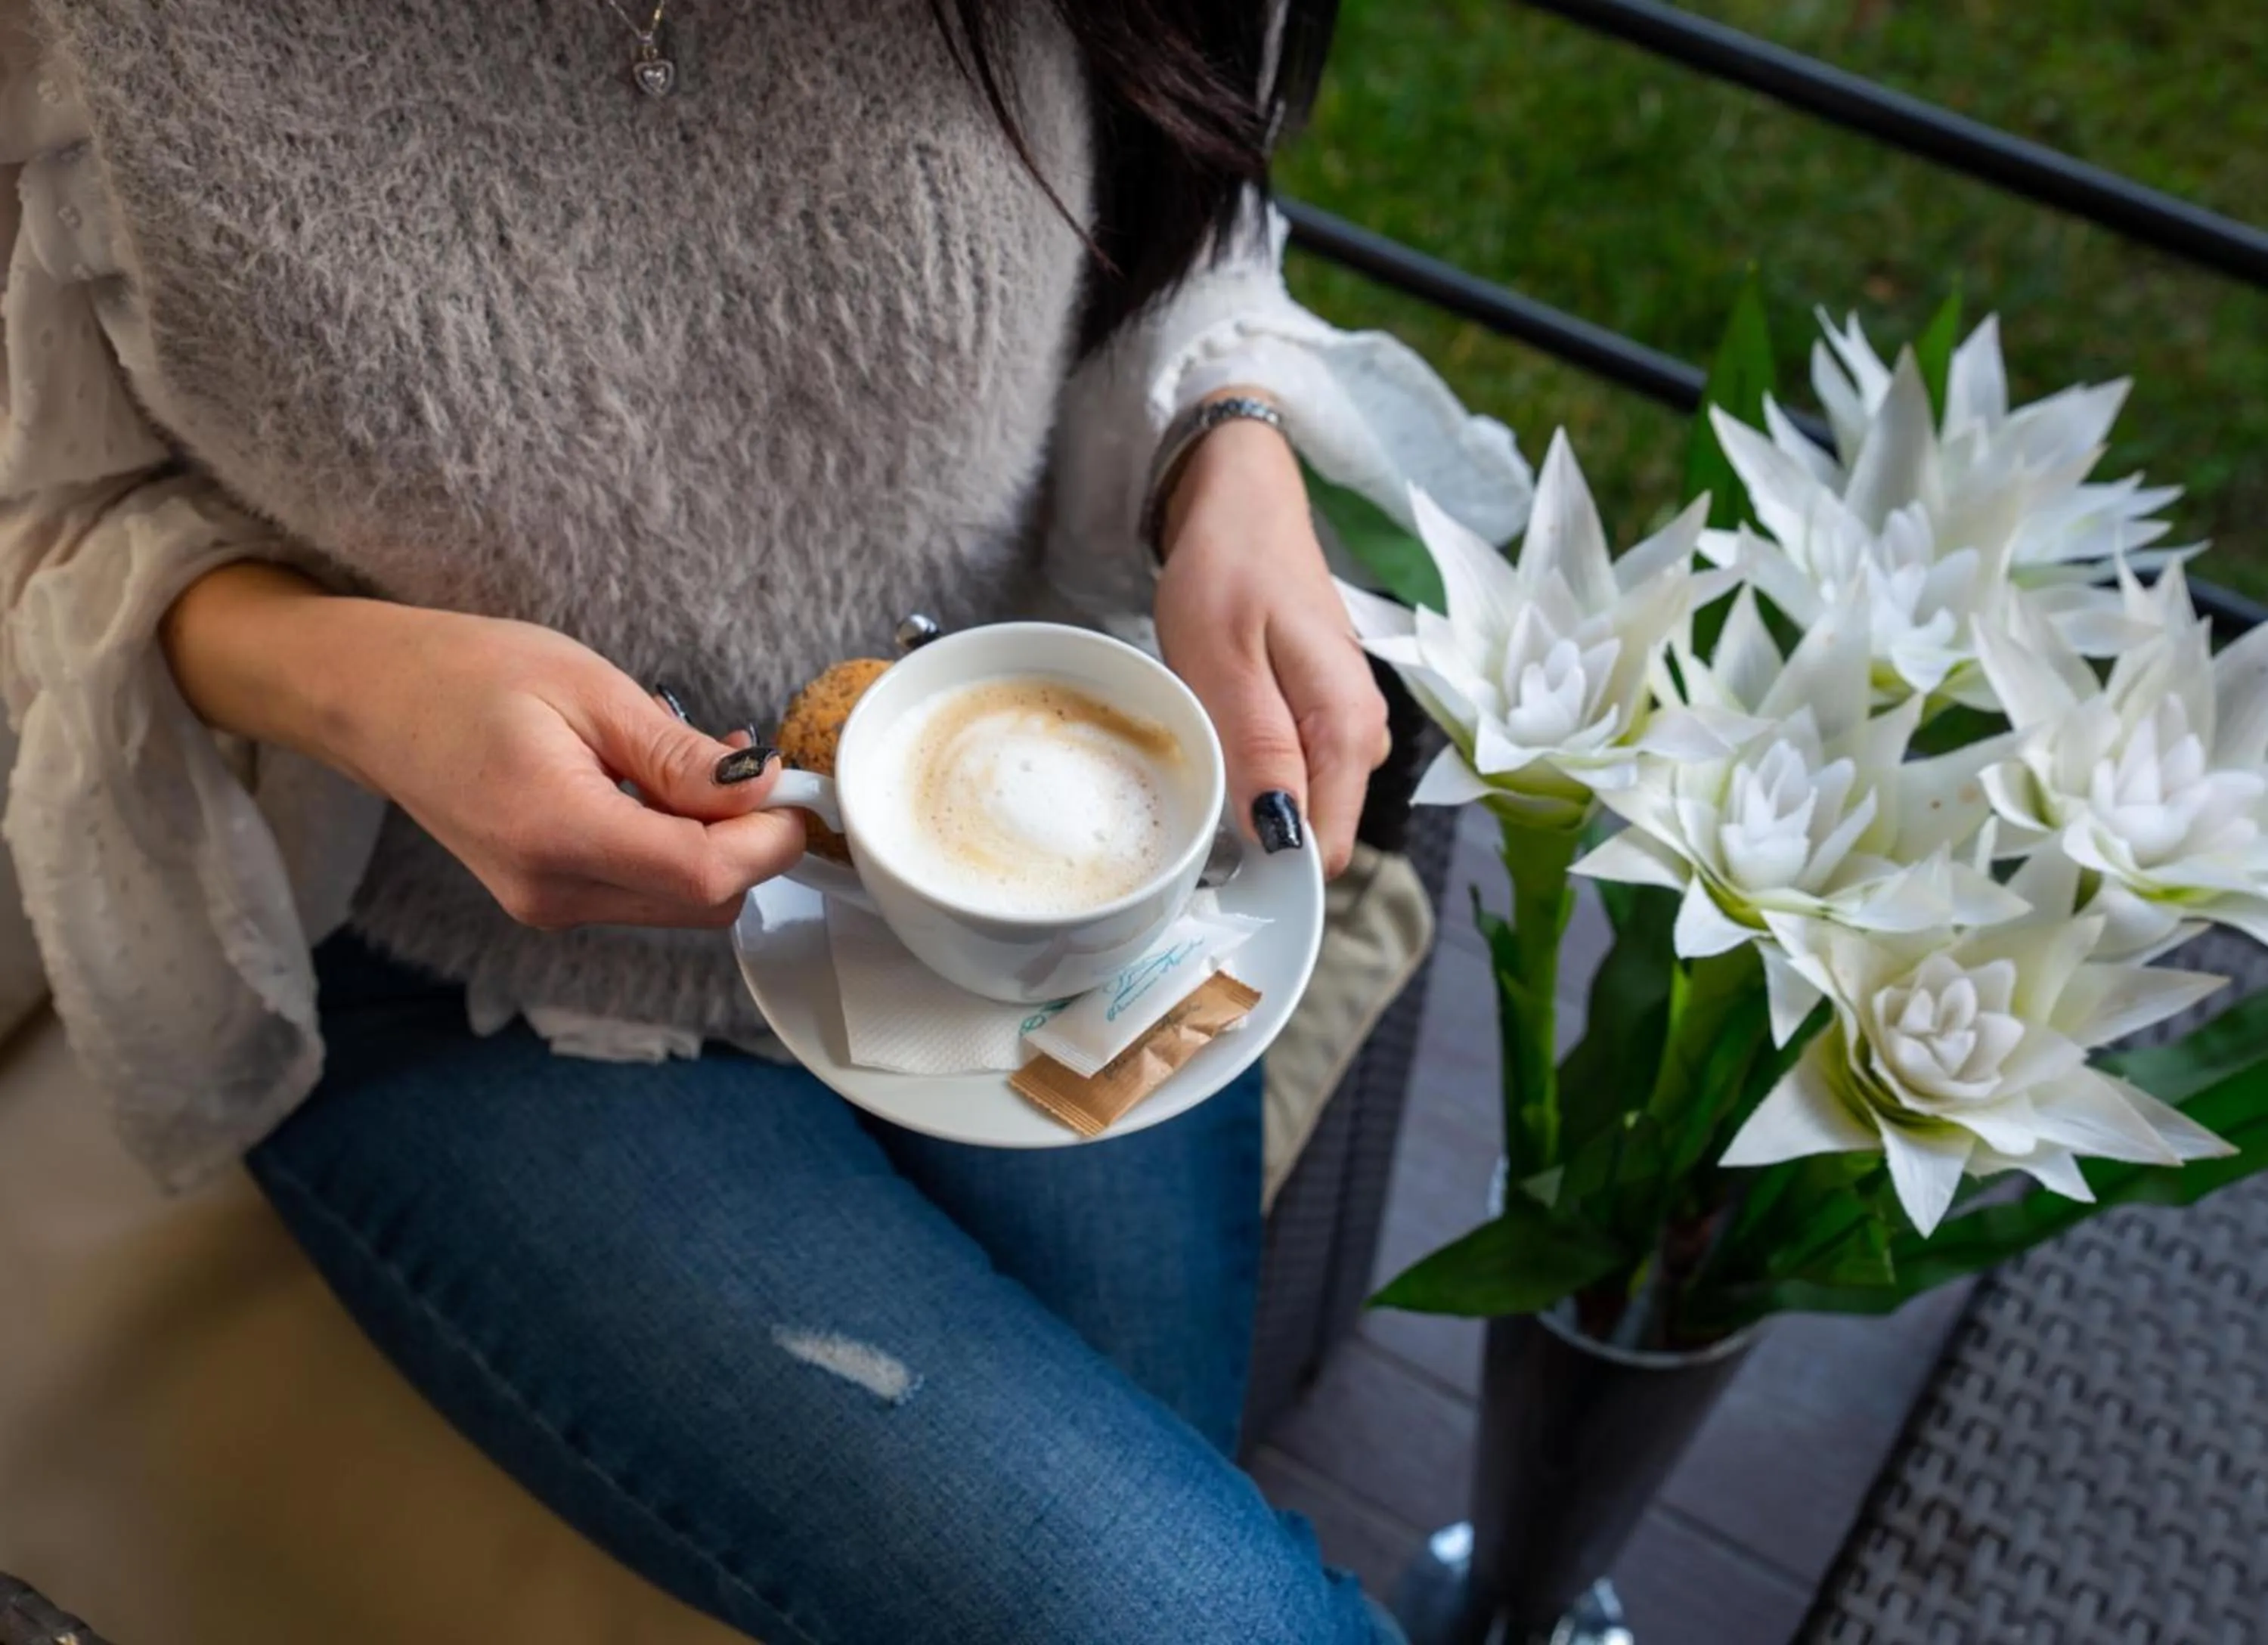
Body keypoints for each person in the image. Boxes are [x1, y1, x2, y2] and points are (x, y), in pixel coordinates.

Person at [0, 2, 1528, 1640]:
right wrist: (345, 675)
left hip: (1064, 887)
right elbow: (44, 506)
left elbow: (1180, 221)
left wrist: (1228, 448)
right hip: (477, 978)